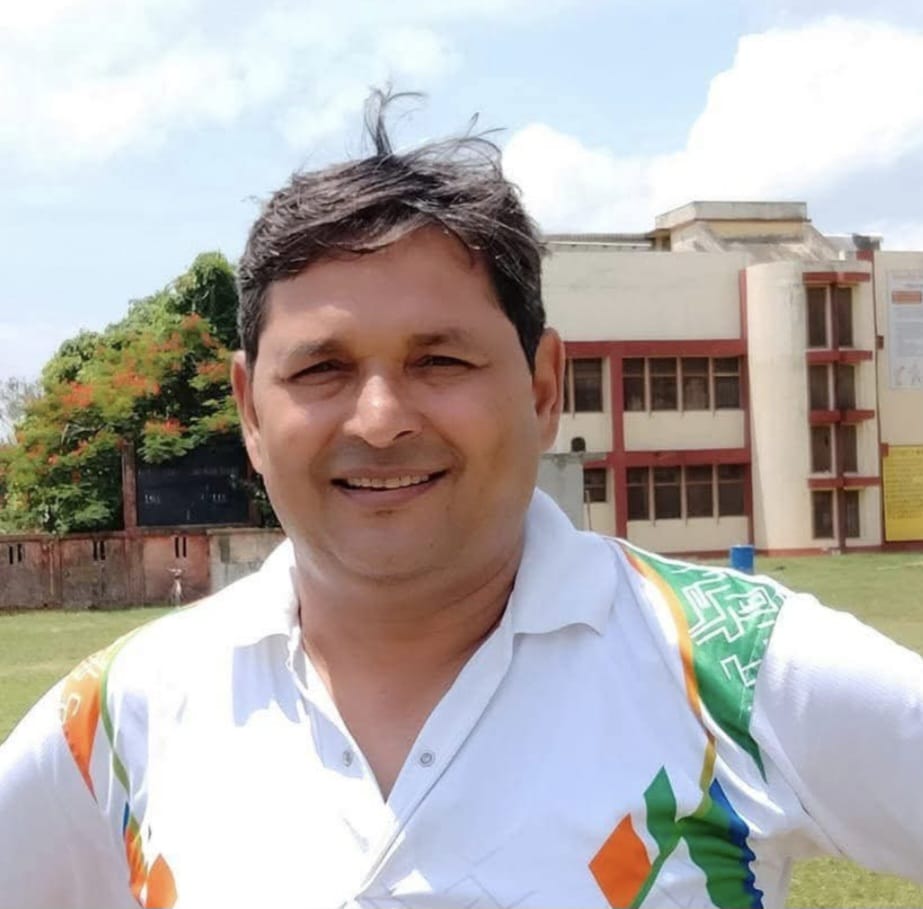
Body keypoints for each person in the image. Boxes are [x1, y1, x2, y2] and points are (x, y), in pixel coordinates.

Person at [1, 92, 922, 909]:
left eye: (439, 359)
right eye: (320, 369)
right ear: (249, 408)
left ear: (542, 385)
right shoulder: (123, 713)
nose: (380, 419)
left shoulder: (734, 667)